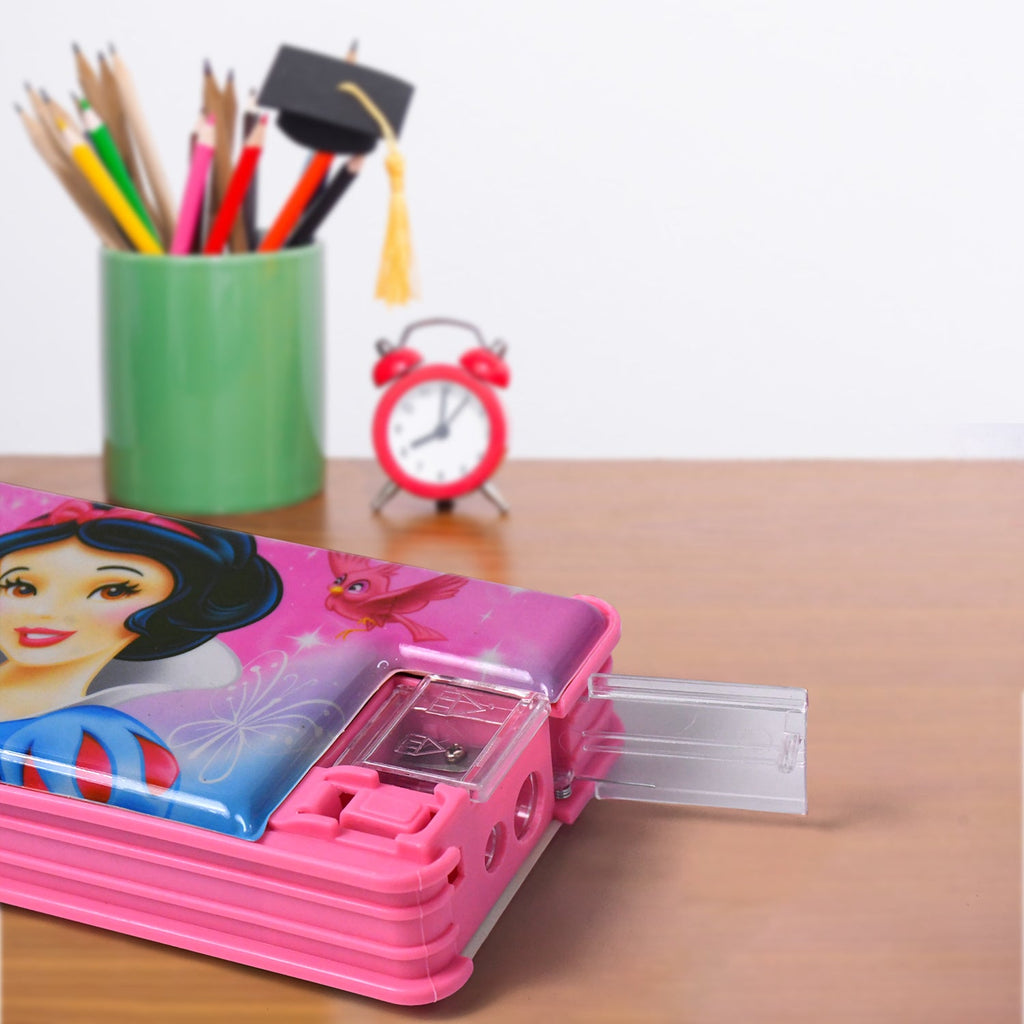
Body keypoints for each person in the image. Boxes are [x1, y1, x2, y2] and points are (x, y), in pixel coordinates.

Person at [0, 498, 282, 814]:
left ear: (168, 610)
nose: (45, 611)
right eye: (20, 587)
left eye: (112, 591)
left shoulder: (87, 741)